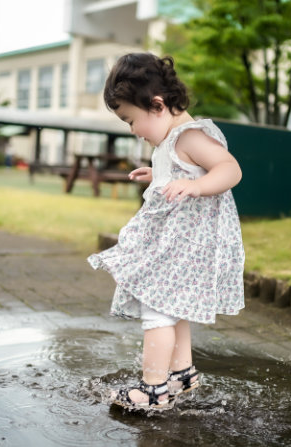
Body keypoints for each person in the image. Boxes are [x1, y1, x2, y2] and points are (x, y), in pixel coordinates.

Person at [88, 53, 245, 411]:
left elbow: (230, 169)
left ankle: (153, 389)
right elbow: (181, 169)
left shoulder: (189, 136)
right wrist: (157, 174)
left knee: (157, 307)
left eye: (131, 120)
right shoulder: (171, 142)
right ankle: (182, 374)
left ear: (157, 105)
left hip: (185, 244)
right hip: (178, 244)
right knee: (174, 306)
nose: (133, 131)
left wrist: (198, 186)